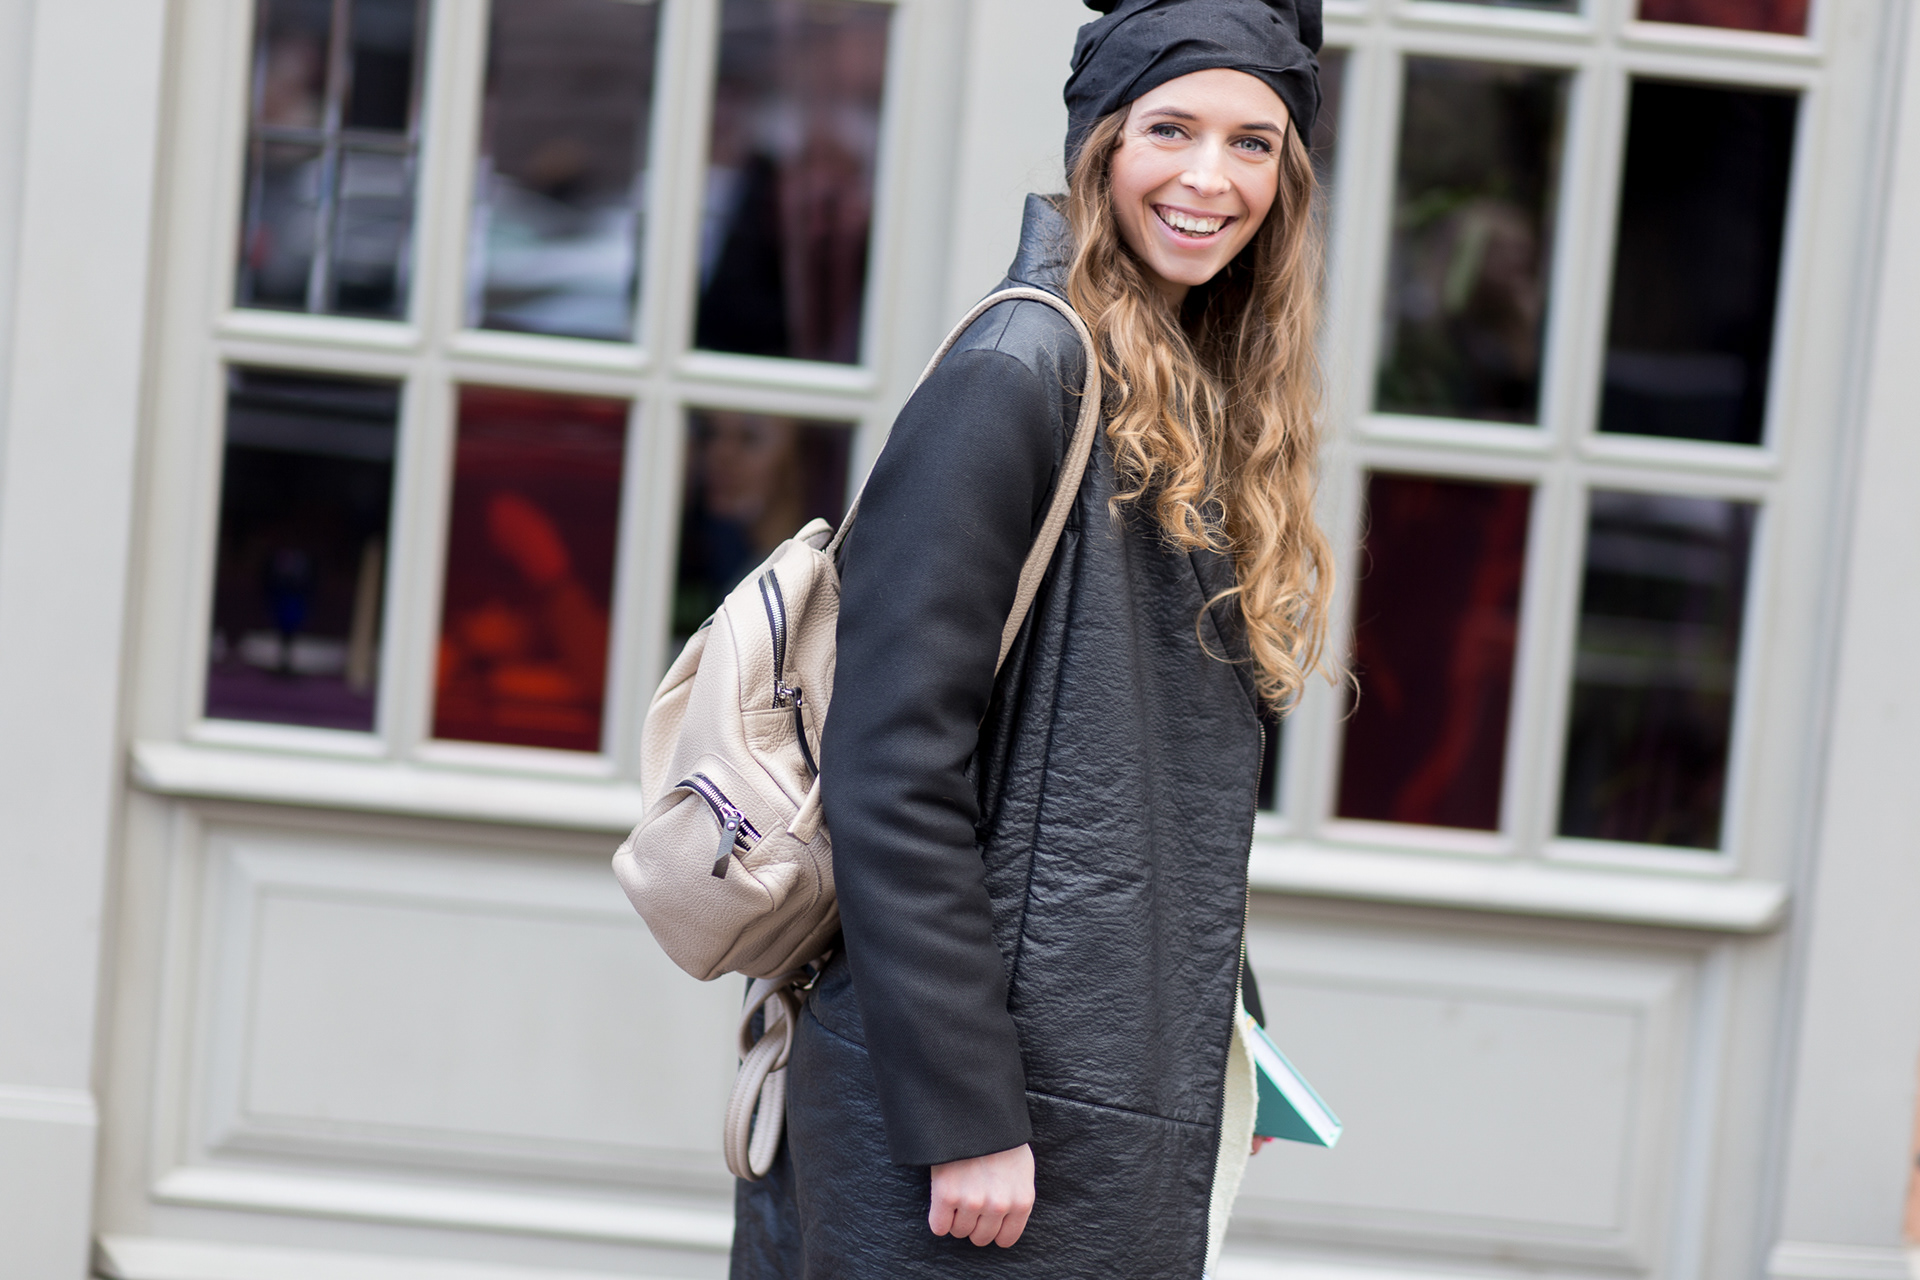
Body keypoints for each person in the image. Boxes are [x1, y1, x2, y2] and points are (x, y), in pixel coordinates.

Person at [730, 1, 1334, 1274]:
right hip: (975, 1124)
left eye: (1254, 143)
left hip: (1087, 1087)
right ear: (1101, 142)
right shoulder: (1017, 372)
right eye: (1171, 129)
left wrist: (1227, 1037)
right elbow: (892, 770)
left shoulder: (1180, 387)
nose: (1211, 178)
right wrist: (965, 1117)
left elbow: (1149, 791)